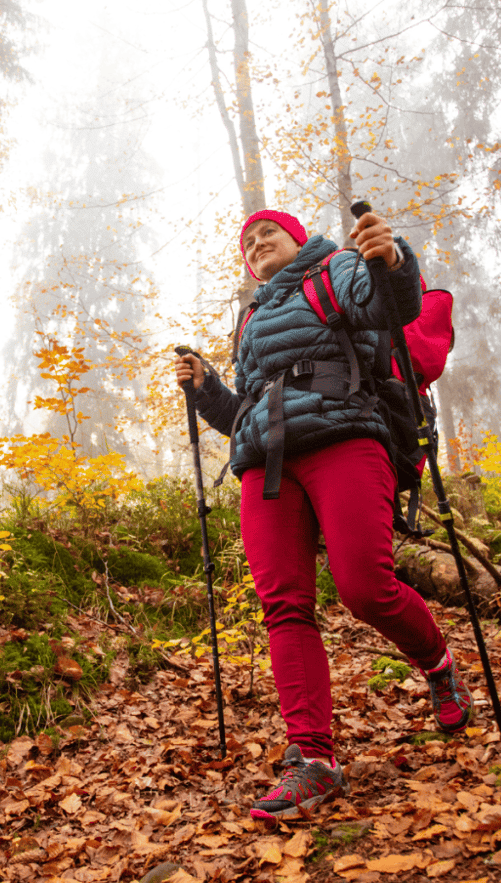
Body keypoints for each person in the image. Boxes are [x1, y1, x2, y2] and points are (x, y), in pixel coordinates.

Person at [174, 208, 474, 827]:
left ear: (296, 237)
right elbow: (242, 410)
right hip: (265, 463)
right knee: (283, 605)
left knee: (365, 587)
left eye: (268, 233)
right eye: (248, 242)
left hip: (345, 436)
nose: (257, 244)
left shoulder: (335, 268)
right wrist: (205, 388)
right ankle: (312, 759)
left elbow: (391, 307)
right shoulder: (251, 318)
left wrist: (391, 259)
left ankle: (439, 666)